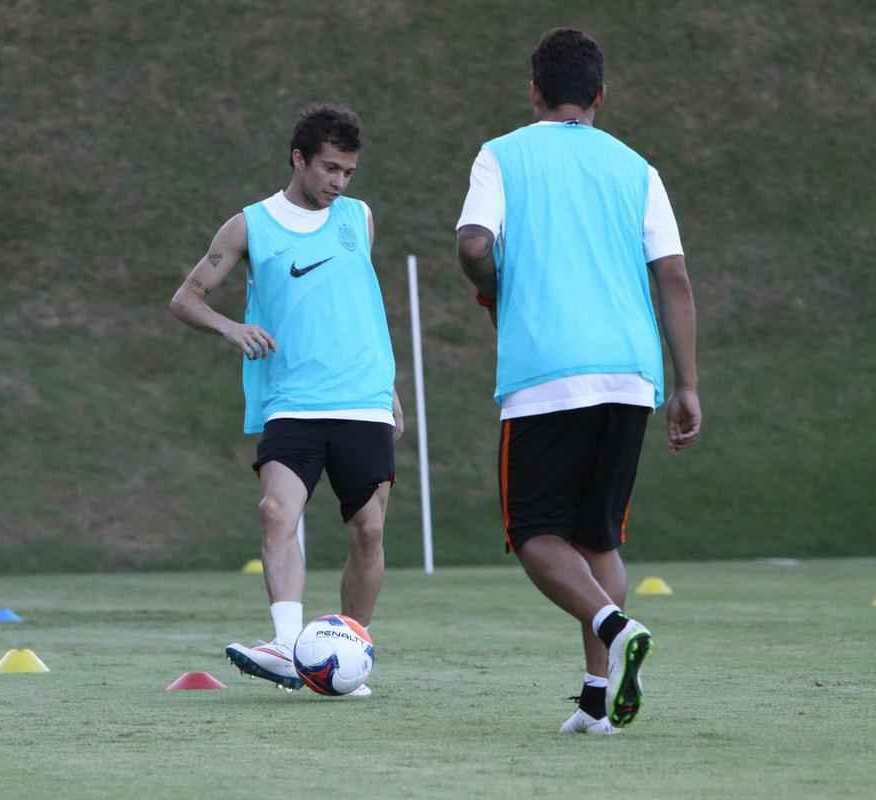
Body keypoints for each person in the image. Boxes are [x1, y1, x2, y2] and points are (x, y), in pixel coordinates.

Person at [455, 28, 701, 733]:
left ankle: (615, 627)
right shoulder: (637, 167)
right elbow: (673, 276)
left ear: (534, 91)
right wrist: (686, 385)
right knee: (598, 538)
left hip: (546, 368)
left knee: (535, 532)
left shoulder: (502, 154)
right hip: (630, 373)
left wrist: (492, 286)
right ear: (600, 94)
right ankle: (597, 700)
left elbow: (473, 243)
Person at [169, 104, 403, 697]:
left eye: (348, 172)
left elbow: (358, 307)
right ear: (299, 159)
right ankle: (285, 644)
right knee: (276, 513)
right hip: (292, 399)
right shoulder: (249, 226)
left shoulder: (359, 218)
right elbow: (186, 298)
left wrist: (390, 391)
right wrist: (231, 328)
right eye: (329, 168)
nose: (339, 182)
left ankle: (349, 656)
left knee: (368, 532)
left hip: (362, 398)